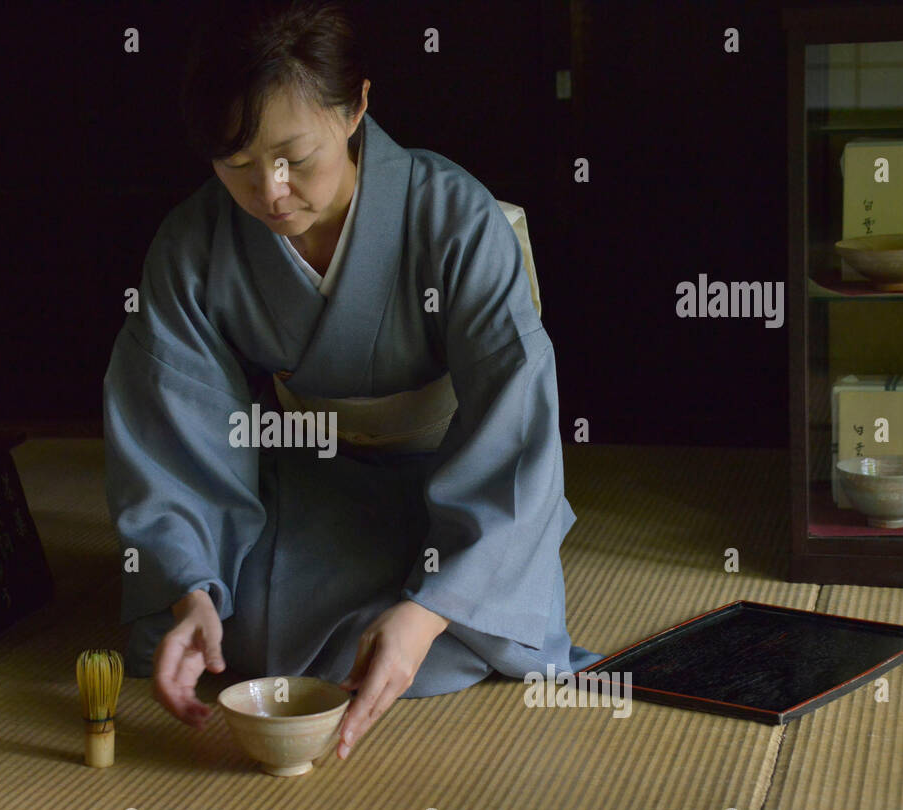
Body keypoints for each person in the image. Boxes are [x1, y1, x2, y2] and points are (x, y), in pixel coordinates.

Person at [103, 0, 602, 761]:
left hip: (451, 490)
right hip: (309, 483)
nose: (269, 193)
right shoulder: (195, 243)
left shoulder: (453, 218)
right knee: (229, 630)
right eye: (237, 165)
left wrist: (432, 610)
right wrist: (192, 590)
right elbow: (176, 421)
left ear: (356, 107)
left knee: (458, 624)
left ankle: (437, 617)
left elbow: (515, 416)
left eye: (294, 158)